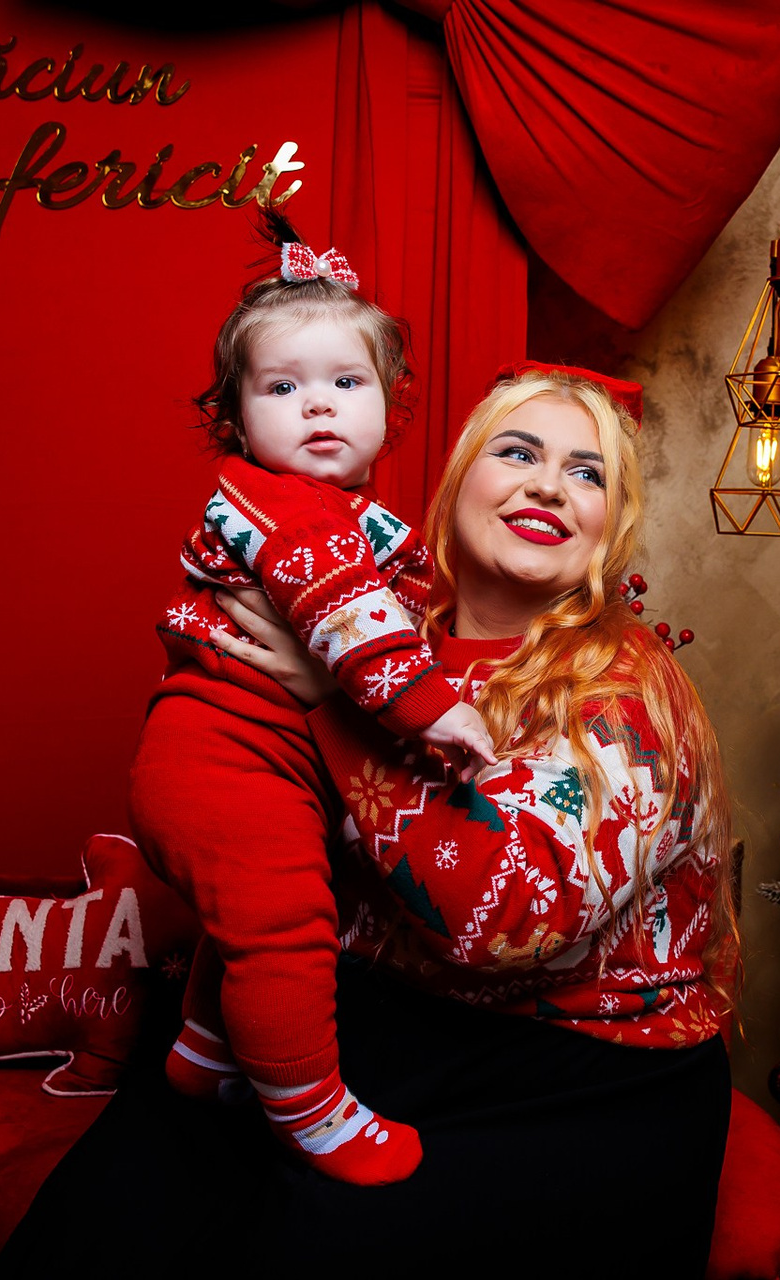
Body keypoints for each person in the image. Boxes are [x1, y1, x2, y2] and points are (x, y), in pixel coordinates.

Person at [0, 364, 737, 1278]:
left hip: (580, 1077)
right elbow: (238, 786)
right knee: (117, 1195)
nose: (549, 485)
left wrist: (330, 703)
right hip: (386, 1025)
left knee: (306, 1240)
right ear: (458, 482)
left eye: (587, 474)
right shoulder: (365, 627)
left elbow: (510, 919)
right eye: (518, 453)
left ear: (610, 527)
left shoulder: (627, 690)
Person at [140, 220, 497, 1188]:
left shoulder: (355, 517)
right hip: (220, 756)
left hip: (266, 762)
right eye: (281, 387)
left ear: (391, 401)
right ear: (234, 419)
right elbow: (343, 609)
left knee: (264, 911)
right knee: (285, 928)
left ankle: (204, 1052)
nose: (319, 405)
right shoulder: (283, 506)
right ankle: (311, 1108)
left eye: (348, 381)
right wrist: (431, 708)